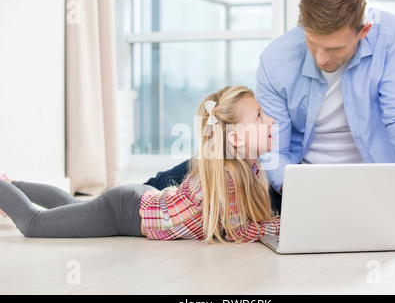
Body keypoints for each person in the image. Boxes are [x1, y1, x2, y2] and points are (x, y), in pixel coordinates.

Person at [144, 0, 395, 244]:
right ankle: (135, 196)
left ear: (364, 30)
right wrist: (307, 198)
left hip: (370, 184)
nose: (321, 59)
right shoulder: (276, 59)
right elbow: (275, 149)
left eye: (334, 48)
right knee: (218, 160)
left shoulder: (390, 35)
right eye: (312, 43)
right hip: (294, 182)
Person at [0, 86, 279, 244]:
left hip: (136, 200)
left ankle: (11, 185)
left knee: (71, 205)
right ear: (235, 138)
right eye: (259, 116)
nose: (271, 121)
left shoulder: (252, 170)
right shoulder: (227, 176)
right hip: (122, 212)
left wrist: (275, 224)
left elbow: (243, 224)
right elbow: (237, 232)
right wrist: (279, 227)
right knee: (33, 223)